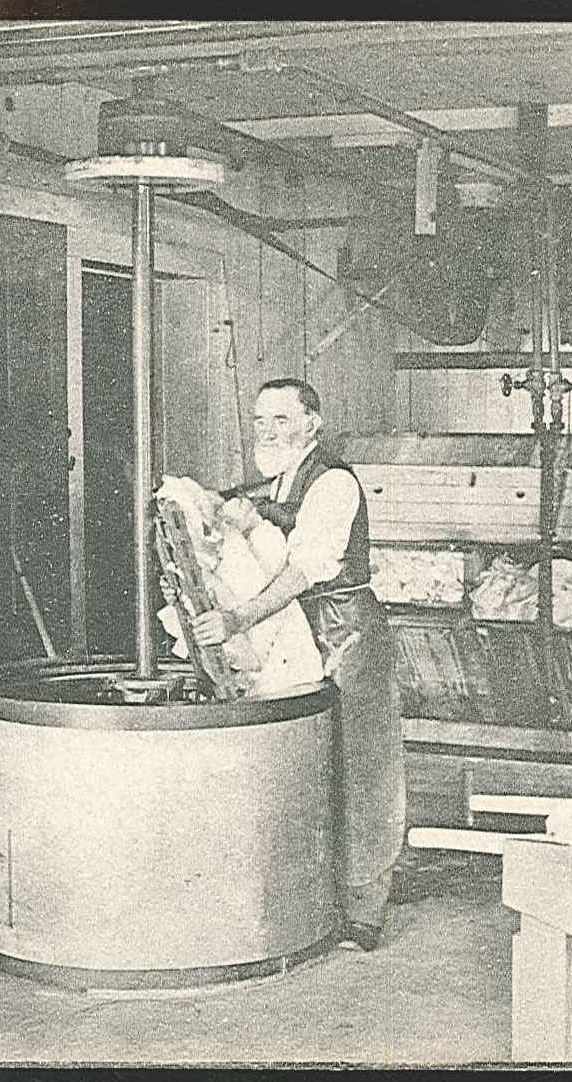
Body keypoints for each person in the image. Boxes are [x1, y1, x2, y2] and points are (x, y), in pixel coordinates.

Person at [190, 378, 406, 952]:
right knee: (306, 765)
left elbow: (305, 569)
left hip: (342, 629)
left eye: (282, 420)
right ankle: (315, 896)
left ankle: (364, 907)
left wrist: (239, 619)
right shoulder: (282, 477)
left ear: (313, 422)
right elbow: (274, 535)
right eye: (261, 421)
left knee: (358, 763)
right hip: (298, 629)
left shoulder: (332, 482)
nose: (268, 431)